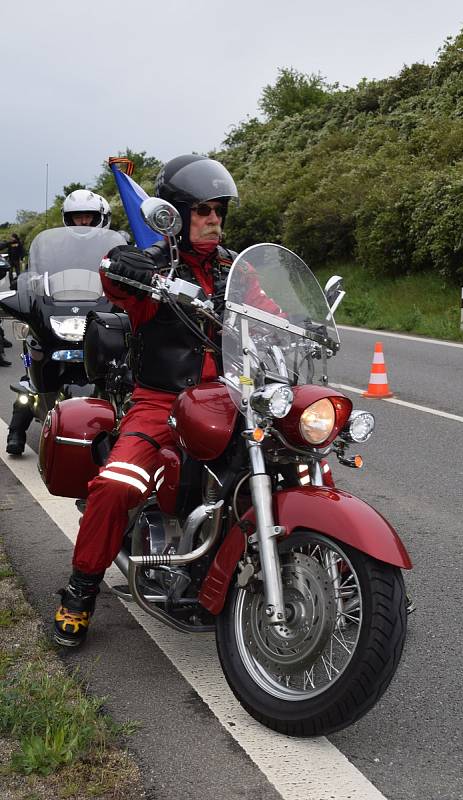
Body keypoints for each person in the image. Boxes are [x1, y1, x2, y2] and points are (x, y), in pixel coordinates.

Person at [53, 154, 284, 647]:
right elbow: (113, 273)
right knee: (117, 486)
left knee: (290, 458)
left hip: (229, 398)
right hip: (162, 403)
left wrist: (290, 325)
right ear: (179, 213)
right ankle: (81, 590)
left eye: (219, 210)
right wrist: (141, 271)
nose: (214, 220)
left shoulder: (232, 269)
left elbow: (267, 311)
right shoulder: (156, 263)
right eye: (203, 209)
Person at [5, 192, 112, 456]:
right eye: (77, 217)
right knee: (31, 365)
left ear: (101, 218)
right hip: (60, 313)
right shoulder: (56, 247)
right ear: (67, 219)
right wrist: (28, 287)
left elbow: (126, 276)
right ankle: (16, 431)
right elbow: (37, 272)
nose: (83, 222)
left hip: (98, 314)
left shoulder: (115, 247)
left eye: (89, 217)